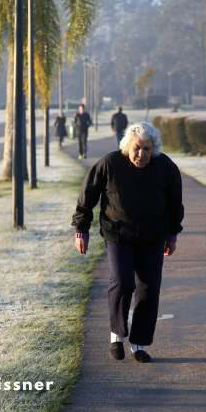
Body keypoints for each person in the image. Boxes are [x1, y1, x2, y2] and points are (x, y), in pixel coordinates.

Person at [72, 122, 184, 363]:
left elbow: (175, 204)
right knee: (122, 282)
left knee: (148, 288)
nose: (141, 154)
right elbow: (88, 195)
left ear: (154, 149)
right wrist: (81, 229)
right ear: (126, 146)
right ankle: (116, 334)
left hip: (152, 237)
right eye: (136, 148)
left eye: (147, 149)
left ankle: (139, 344)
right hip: (118, 234)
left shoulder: (165, 167)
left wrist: (172, 235)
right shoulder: (111, 163)